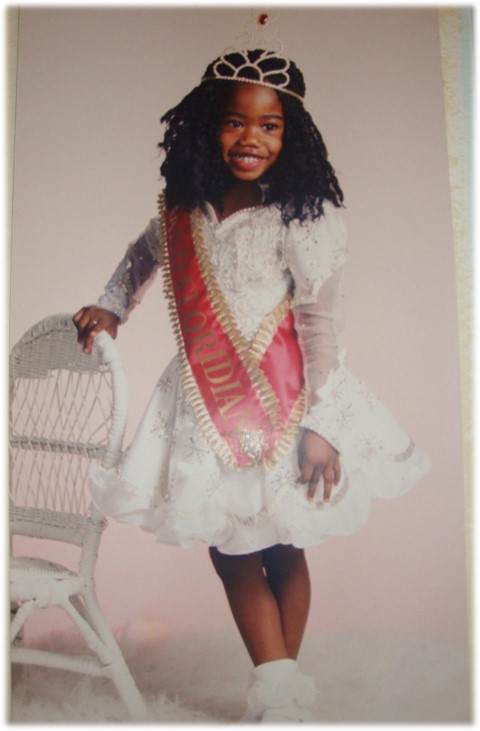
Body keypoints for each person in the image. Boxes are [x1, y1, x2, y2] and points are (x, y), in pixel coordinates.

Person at [73, 48, 430, 723]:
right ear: (208, 125)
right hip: (205, 405)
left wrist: (324, 425)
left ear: (291, 136)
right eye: (236, 122)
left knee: (283, 541)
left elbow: (322, 327)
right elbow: (141, 258)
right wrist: (113, 305)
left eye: (269, 126)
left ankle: (276, 694)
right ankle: (283, 686)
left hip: (291, 398)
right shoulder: (184, 207)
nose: (251, 138)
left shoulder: (304, 214)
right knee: (231, 544)